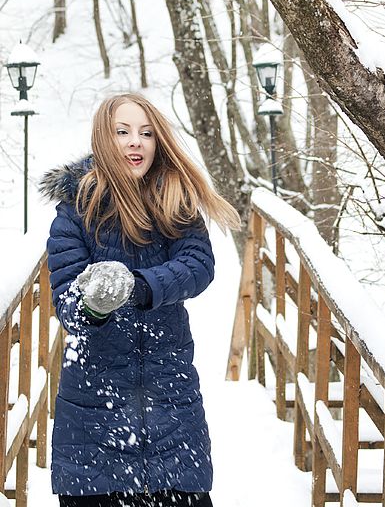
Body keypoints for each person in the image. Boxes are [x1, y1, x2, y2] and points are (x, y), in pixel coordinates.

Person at [39, 93, 241, 507]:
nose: (136, 142)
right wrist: (94, 302)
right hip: (95, 418)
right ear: (103, 141)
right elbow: (68, 305)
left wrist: (138, 286)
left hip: (171, 408)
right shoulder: (75, 211)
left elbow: (198, 265)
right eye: (123, 132)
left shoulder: (173, 199)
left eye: (146, 133)